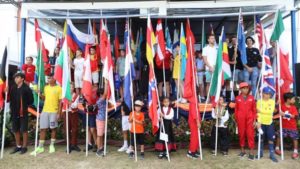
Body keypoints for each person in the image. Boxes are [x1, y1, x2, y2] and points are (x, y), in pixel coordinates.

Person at [31, 74, 62, 155]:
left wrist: (59, 113)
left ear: (55, 79)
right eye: (48, 78)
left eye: (50, 78)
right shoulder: (46, 87)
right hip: (45, 111)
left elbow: (60, 102)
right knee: (42, 129)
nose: (48, 79)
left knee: (53, 128)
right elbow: (44, 98)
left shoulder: (59, 88)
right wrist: (39, 93)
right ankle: (40, 147)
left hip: (54, 111)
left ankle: (52, 145)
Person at [9, 72, 34, 154]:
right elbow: (9, 99)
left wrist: (24, 104)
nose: (16, 79)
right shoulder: (13, 88)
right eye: (15, 78)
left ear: (22, 79)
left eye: (17, 77)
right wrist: (5, 92)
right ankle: (18, 146)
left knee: (24, 130)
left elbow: (31, 101)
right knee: (15, 129)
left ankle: (24, 147)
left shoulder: (27, 88)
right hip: (14, 112)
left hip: (23, 112)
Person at [234, 82, 256, 160]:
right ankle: (242, 151)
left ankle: (251, 151)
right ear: (240, 89)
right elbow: (236, 110)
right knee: (241, 134)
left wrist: (254, 120)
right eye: (243, 88)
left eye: (246, 88)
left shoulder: (252, 98)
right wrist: (236, 120)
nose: (245, 90)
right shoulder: (237, 98)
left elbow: (254, 110)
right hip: (240, 119)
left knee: (250, 134)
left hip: (250, 119)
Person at [256, 87, 277, 162]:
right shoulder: (259, 101)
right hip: (260, 123)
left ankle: (272, 154)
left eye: (269, 94)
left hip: (269, 123)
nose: (267, 95)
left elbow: (270, 111)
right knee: (261, 139)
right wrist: (259, 119)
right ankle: (260, 153)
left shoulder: (272, 101)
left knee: (271, 139)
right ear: (262, 94)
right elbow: (257, 112)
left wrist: (261, 111)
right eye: (266, 94)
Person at [275, 92, 299, 159]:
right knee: (279, 136)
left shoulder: (293, 107)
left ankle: (295, 151)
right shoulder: (281, 106)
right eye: (293, 99)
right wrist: (277, 104)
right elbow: (275, 111)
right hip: (283, 126)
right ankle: (277, 148)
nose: (294, 100)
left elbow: (294, 116)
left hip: (292, 127)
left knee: (295, 138)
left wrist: (284, 114)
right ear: (288, 100)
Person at [62, 83, 81, 153]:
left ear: (73, 88)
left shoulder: (76, 96)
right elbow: (61, 103)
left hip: (73, 113)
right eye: (69, 87)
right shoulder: (64, 94)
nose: (70, 88)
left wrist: (70, 103)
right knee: (67, 129)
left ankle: (74, 144)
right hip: (66, 112)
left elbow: (75, 106)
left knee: (74, 129)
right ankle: (68, 145)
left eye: (72, 87)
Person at [82, 85, 98, 152]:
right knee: (88, 128)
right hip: (86, 112)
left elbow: (97, 102)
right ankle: (89, 144)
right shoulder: (86, 90)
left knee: (92, 129)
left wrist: (93, 106)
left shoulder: (96, 92)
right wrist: (84, 103)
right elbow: (84, 100)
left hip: (93, 113)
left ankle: (96, 144)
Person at [95, 87, 107, 157]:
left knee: (101, 135)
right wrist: (106, 84)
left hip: (103, 119)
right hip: (100, 119)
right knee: (99, 135)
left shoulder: (104, 100)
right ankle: (98, 150)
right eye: (102, 94)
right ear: (100, 94)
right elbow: (105, 94)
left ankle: (101, 148)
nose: (104, 95)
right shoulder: (99, 100)